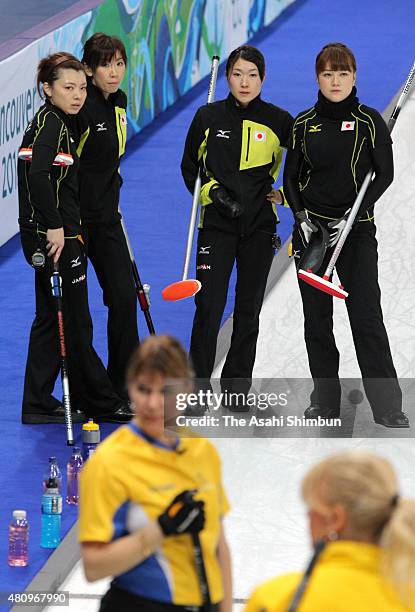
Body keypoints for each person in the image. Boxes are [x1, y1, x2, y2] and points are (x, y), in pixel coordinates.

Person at [283, 42, 409, 428]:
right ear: (317, 78)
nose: (335, 81)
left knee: (366, 315)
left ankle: (387, 406)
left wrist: (352, 220)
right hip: (313, 235)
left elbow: (383, 175)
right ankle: (325, 402)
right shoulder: (303, 123)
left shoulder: (370, 121)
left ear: (354, 77)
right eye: (327, 73)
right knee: (316, 319)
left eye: (342, 73)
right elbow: (290, 179)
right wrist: (302, 218)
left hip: (355, 232)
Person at [79, 334, 232, 611]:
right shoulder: (109, 462)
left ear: (186, 389)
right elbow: (93, 566)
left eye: (165, 391)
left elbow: (218, 545)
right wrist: (160, 530)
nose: (152, 403)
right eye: (143, 389)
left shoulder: (203, 452)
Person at [18, 52, 131, 424]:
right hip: (56, 237)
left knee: (51, 317)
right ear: (47, 89)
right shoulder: (51, 124)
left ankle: (36, 401)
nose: (78, 95)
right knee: (76, 320)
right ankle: (100, 400)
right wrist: (54, 226)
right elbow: (37, 175)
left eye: (81, 87)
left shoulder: (61, 122)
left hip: (52, 233)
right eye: (68, 88)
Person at [181, 45, 293, 407]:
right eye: (237, 74)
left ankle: (236, 388)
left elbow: (305, 163)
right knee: (209, 306)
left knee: (248, 310)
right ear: (227, 77)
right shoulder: (207, 118)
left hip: (259, 228)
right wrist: (213, 193)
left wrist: (286, 196)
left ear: (263, 78)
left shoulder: (278, 120)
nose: (244, 82)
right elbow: (190, 169)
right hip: (216, 225)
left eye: (252, 75)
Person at [245, 450, 415, 612]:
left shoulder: (276, 599)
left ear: (335, 519)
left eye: (312, 507)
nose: (308, 515)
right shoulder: (407, 598)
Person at [75, 33, 139, 402]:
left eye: (119, 64)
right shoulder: (81, 109)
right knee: (77, 310)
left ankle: (122, 385)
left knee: (123, 296)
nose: (114, 73)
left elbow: (109, 160)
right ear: (88, 69)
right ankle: (91, 393)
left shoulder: (119, 101)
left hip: (108, 217)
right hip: (77, 223)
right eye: (104, 65)